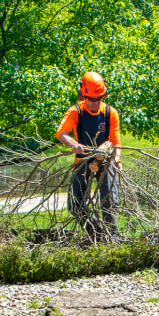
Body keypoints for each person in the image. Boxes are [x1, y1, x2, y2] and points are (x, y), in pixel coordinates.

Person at [56, 71, 122, 242]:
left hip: (106, 161)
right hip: (83, 161)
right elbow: (61, 133)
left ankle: (113, 240)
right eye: (91, 99)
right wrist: (73, 144)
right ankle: (96, 234)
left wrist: (117, 158)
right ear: (83, 95)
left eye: (98, 98)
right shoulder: (75, 111)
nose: (94, 102)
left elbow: (115, 141)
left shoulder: (110, 113)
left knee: (108, 204)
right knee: (75, 205)